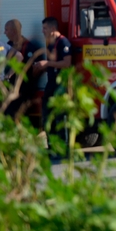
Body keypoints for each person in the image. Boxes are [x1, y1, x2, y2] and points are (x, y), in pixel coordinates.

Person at [35, 17, 72, 150]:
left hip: (60, 84)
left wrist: (48, 63)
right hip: (51, 83)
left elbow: (67, 63)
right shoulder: (50, 43)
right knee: (47, 115)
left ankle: (63, 147)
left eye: (45, 28)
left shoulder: (63, 42)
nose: (42, 31)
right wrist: (42, 66)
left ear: (52, 28)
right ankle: (51, 145)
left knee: (60, 117)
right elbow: (52, 64)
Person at [3, 19, 44, 119]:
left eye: (6, 30)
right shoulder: (8, 46)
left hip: (22, 92)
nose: (4, 33)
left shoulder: (30, 47)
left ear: (14, 31)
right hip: (9, 91)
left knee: (17, 117)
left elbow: (36, 69)